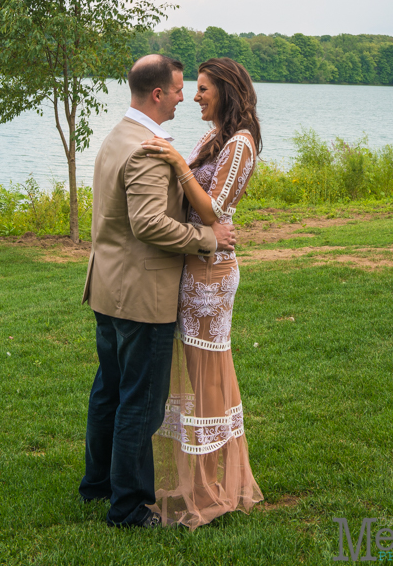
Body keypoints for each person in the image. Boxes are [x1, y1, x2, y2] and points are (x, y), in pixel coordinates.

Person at [79, 54, 236, 528]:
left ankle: (98, 486)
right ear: (157, 94)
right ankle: (127, 508)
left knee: (109, 391)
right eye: (178, 89)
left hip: (108, 287)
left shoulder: (117, 136)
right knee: (140, 404)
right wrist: (207, 240)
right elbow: (149, 223)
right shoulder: (147, 147)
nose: (185, 96)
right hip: (142, 295)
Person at [141, 57, 264, 529]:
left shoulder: (240, 144)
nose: (194, 96)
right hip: (194, 267)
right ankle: (202, 482)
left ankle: (209, 491)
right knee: (199, 376)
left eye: (204, 88)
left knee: (208, 379)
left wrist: (175, 161)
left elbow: (215, 209)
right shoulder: (214, 139)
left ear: (227, 89)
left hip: (211, 274)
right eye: (194, 88)